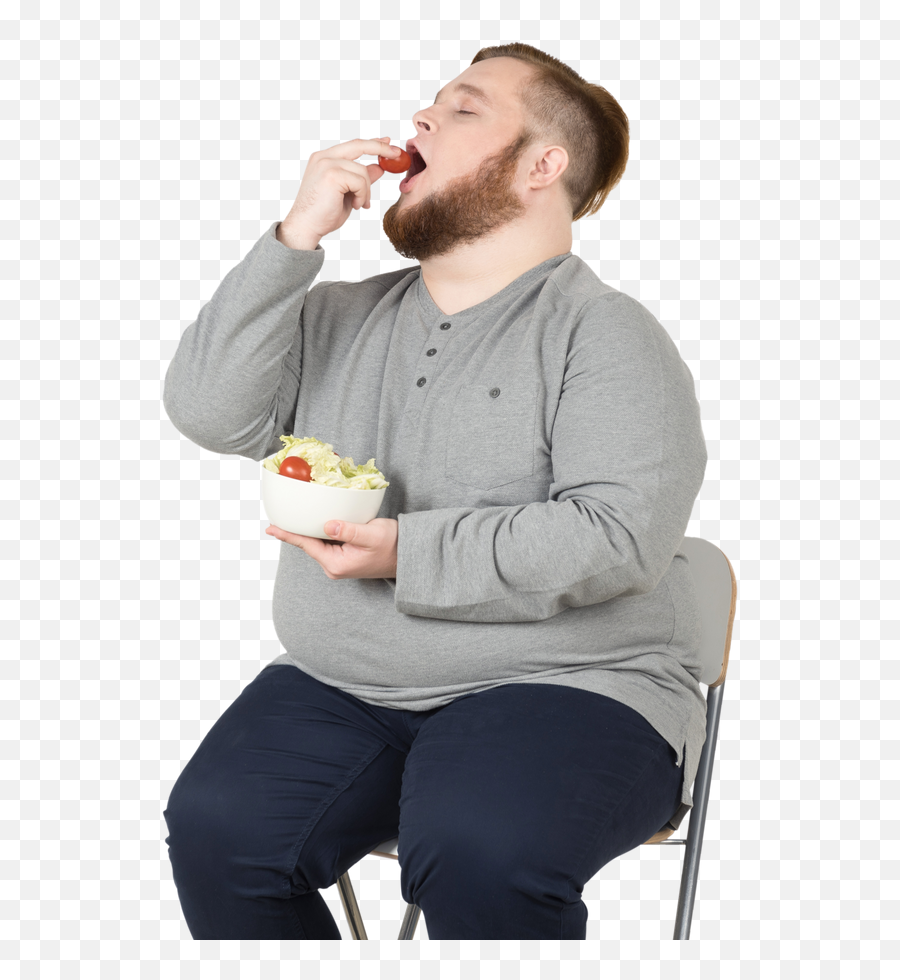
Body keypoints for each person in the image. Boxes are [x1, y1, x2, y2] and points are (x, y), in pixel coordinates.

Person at [161, 42, 708, 940]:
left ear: (542, 166)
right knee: (223, 834)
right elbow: (208, 412)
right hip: (346, 680)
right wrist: (295, 237)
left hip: (571, 680)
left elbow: (619, 535)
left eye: (462, 109)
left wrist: (407, 548)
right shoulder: (335, 316)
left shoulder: (606, 335)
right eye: (429, 106)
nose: (419, 120)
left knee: (481, 847)